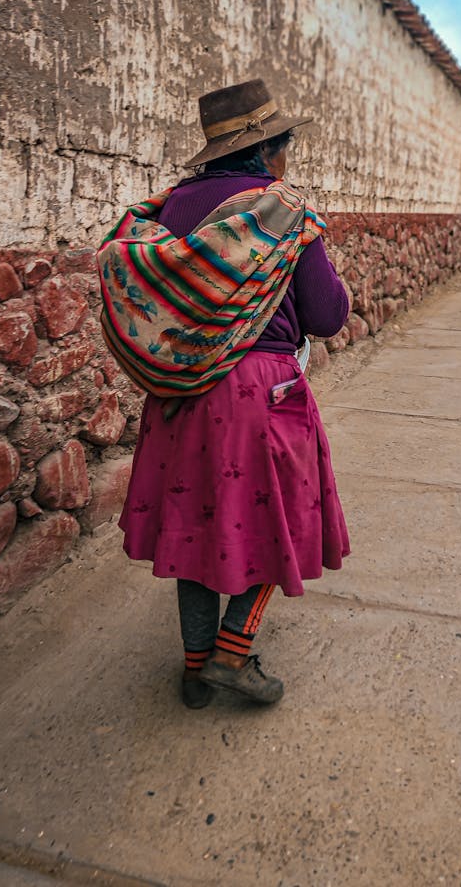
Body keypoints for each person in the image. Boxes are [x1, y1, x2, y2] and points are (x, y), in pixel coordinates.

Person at [117, 80, 351, 709]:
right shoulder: (281, 211)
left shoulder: (166, 210)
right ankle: (231, 654)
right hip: (260, 394)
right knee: (281, 518)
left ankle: (196, 671)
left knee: (193, 524)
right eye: (286, 145)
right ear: (268, 148)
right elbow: (327, 316)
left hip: (180, 393)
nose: (288, 157)